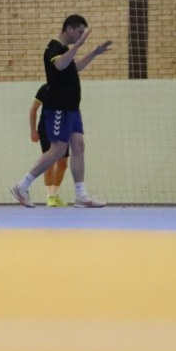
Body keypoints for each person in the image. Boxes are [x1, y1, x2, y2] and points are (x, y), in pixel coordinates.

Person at [10, 14, 111, 208]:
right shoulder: (54, 47)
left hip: (72, 108)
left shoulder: (65, 50)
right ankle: (21, 186)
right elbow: (60, 64)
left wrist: (94, 53)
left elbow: (73, 68)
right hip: (58, 107)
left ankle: (81, 195)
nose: (80, 35)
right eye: (79, 32)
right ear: (69, 28)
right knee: (57, 150)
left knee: (78, 146)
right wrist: (79, 45)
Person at [29, 83, 69, 207]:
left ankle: (55, 195)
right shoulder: (45, 88)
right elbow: (33, 109)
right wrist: (33, 130)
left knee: (63, 164)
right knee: (49, 163)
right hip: (46, 130)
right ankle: (49, 196)